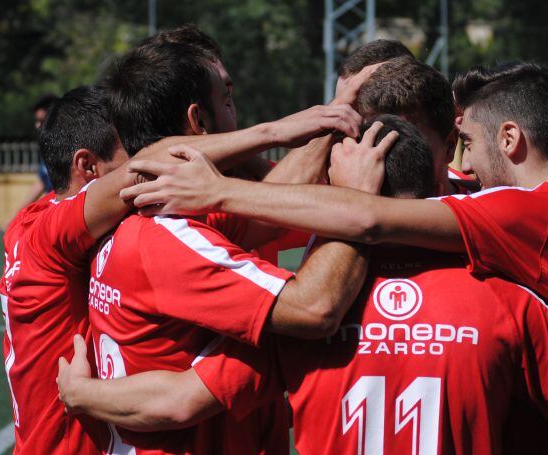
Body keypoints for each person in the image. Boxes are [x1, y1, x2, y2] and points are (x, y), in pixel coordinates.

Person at [121, 62, 548, 454]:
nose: (466, 166)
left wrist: (216, 190)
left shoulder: (521, 219)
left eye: (467, 143)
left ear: (511, 139)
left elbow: (368, 219)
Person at [89, 32, 379, 454]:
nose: (235, 112)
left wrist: (335, 115)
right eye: (226, 99)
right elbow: (314, 308)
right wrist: (360, 197)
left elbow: (270, 205)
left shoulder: (139, 214)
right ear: (198, 121)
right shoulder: (168, 237)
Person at [0, 86, 132, 454]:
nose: (135, 154)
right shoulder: (55, 231)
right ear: (87, 166)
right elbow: (139, 174)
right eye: (129, 147)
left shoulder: (28, 221)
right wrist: (268, 133)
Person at [355, 55, 478, 195]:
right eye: (374, 139)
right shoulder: (343, 189)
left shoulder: (483, 205)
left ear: (450, 146)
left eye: (404, 144)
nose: (379, 157)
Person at [10, 94, 57, 216]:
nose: (37, 125)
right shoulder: (47, 150)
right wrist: (17, 216)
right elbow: (42, 183)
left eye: (41, 121)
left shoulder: (70, 150)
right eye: (37, 121)